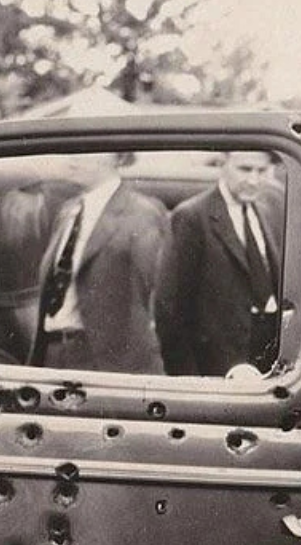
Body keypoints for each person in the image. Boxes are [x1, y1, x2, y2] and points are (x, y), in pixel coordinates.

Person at [26, 151, 168, 372]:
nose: (73, 157)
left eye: (89, 150)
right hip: (53, 354)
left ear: (119, 158)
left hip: (104, 362)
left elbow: (157, 295)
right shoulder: (68, 211)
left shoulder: (142, 214)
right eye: (73, 147)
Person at [156, 151, 285, 377]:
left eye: (261, 171)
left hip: (266, 359)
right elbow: (171, 308)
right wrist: (189, 381)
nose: (254, 180)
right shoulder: (192, 216)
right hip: (217, 365)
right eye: (244, 169)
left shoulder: (267, 210)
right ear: (222, 165)